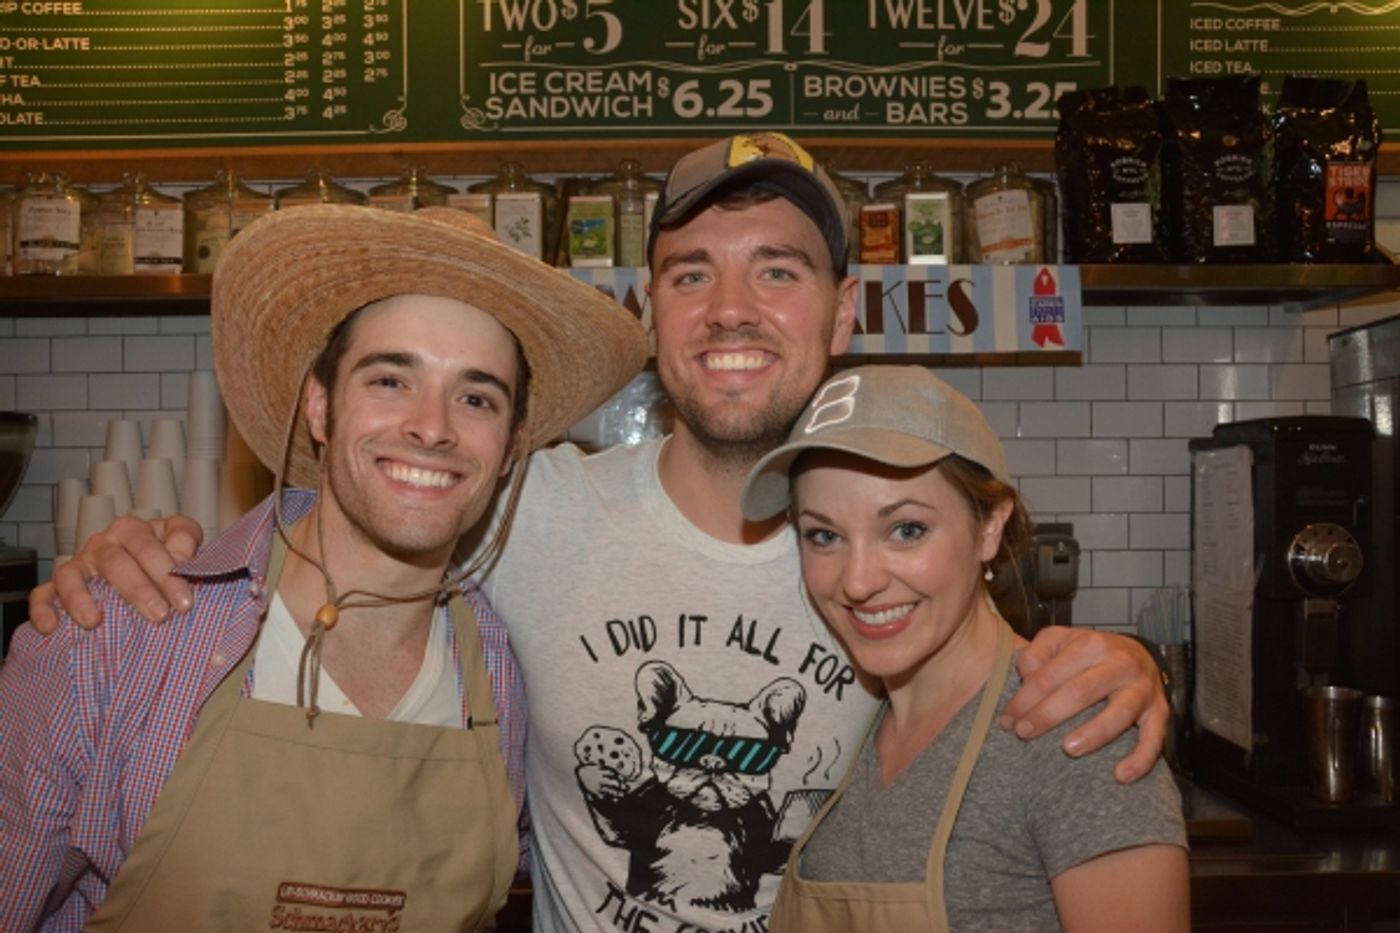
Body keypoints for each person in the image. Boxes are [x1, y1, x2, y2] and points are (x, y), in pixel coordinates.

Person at [32, 133, 1170, 933]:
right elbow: (378, 498)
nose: (731, 308)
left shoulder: (870, 561)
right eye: (691, 273)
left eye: (777, 270)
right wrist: (147, 554)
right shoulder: (526, 509)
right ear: (649, 309)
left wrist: (1123, 664)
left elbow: (994, 689)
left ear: (840, 311)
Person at [0, 205, 647, 931]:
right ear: (318, 404)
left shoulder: (507, 673)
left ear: (511, 445)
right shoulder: (112, 637)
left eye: (475, 397)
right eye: (390, 380)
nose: (432, 426)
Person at [742, 365, 1189, 932]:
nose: (857, 581)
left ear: (989, 527)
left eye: (906, 529)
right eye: (824, 535)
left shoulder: (1075, 740)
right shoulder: (851, 716)